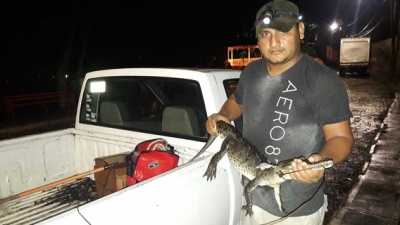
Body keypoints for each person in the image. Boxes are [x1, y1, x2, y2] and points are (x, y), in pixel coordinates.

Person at [205, 0, 354, 224]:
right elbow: (237, 101)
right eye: (265, 33)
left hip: (297, 208)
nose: (274, 42)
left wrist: (319, 162)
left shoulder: (323, 80)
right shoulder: (251, 71)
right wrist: (222, 115)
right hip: (253, 198)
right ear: (257, 38)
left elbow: (341, 137)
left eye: (283, 31)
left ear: (300, 30)